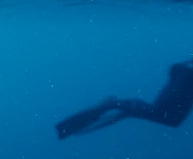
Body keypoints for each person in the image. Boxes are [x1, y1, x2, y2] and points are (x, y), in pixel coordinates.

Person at [56, 59, 193, 139]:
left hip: (182, 81)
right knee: (164, 115)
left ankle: (114, 106)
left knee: (168, 118)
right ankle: (113, 104)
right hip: (183, 81)